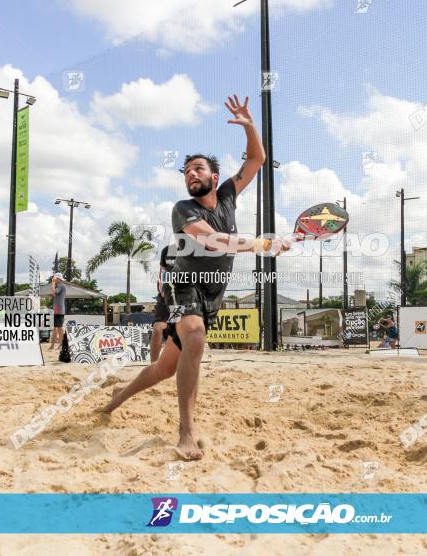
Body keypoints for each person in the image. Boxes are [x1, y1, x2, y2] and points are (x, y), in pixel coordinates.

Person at [101, 94, 288, 460]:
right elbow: (213, 240)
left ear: (213, 178)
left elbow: (256, 159)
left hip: (212, 294)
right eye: (187, 171)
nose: (191, 174)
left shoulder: (228, 195)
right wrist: (261, 244)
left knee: (166, 368)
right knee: (196, 335)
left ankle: (117, 396)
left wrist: (250, 126)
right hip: (181, 284)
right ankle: (186, 430)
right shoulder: (182, 209)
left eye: (198, 169)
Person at [150, 245, 176, 363]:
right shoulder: (167, 250)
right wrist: (164, 293)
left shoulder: (197, 251)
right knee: (158, 327)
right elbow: (162, 274)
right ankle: (153, 366)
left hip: (182, 298)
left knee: (177, 332)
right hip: (166, 295)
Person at [49, 273, 67, 350]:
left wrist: (52, 283)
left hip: (60, 309)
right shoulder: (58, 286)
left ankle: (62, 343)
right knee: (55, 327)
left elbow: (55, 292)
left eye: (55, 279)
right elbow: (53, 293)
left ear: (58, 279)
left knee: (59, 327)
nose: (54, 280)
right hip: (57, 308)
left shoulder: (61, 285)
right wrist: (53, 285)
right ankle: (52, 345)